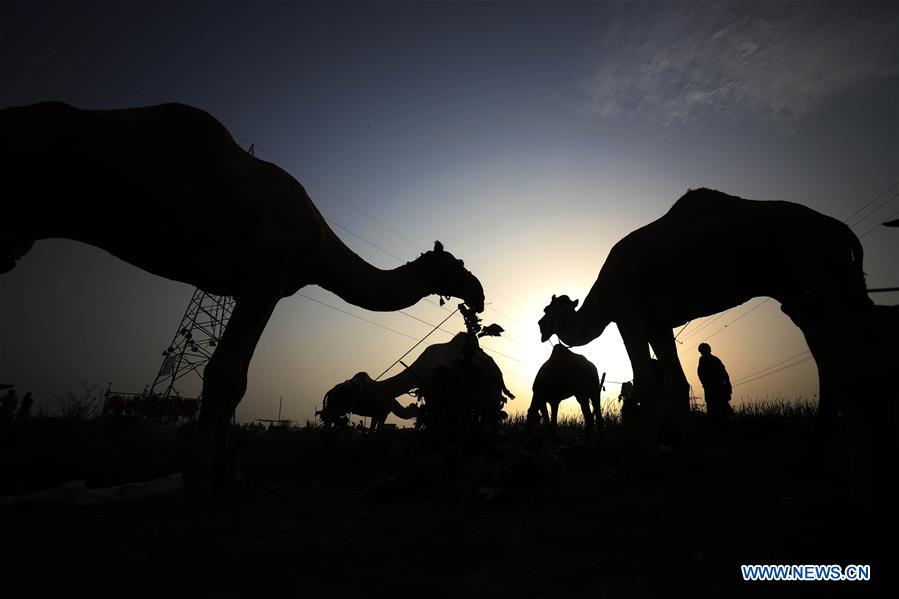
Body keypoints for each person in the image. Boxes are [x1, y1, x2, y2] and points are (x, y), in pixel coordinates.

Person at [697, 343, 732, 428]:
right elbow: (701, 374)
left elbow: (725, 374)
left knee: (721, 413)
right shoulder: (706, 360)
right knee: (715, 413)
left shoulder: (714, 360)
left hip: (718, 389)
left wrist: (728, 386)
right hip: (713, 390)